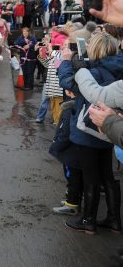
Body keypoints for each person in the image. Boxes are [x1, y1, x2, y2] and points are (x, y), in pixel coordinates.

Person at [58, 33, 122, 235]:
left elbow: (68, 82)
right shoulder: (118, 68)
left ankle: (88, 221)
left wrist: (67, 62)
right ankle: (114, 219)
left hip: (89, 128)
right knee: (107, 175)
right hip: (110, 128)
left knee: (90, 176)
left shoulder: (93, 71)